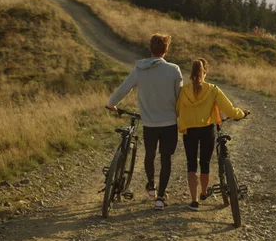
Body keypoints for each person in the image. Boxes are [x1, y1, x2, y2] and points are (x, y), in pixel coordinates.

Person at [106, 33, 182, 210]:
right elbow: (179, 97)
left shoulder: (139, 70)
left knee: (149, 154)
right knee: (166, 158)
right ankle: (160, 198)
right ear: (166, 50)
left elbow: (123, 89)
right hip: (169, 122)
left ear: (150, 49)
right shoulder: (174, 69)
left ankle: (151, 186)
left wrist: (111, 104)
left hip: (149, 123)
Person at [176, 58, 249, 211]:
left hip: (189, 130)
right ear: (206, 71)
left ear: (192, 72)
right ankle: (203, 192)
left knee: (191, 164)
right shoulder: (213, 89)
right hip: (207, 129)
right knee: (205, 163)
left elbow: (177, 110)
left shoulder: (183, 91)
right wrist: (241, 113)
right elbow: (229, 111)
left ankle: (194, 201)